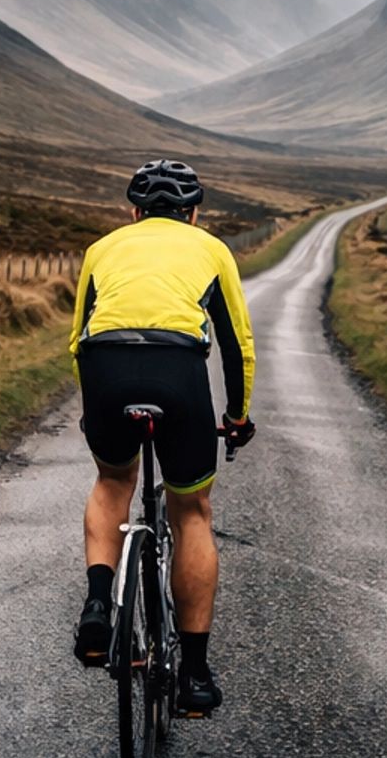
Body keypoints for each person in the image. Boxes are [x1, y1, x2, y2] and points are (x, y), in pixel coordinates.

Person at [70, 158, 256, 715]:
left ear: (135, 213)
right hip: (179, 375)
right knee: (191, 511)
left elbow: (79, 338)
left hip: (106, 372)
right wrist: (238, 416)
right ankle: (194, 677)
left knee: (112, 482)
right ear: (193, 214)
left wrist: (94, 410)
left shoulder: (101, 249)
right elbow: (236, 346)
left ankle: (97, 608)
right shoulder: (212, 250)